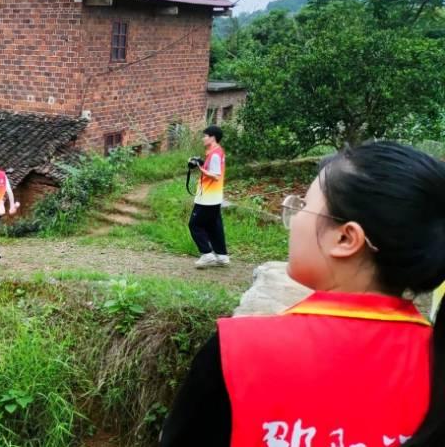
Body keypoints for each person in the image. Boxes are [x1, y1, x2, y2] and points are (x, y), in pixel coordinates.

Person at [161, 142, 445, 446]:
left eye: (303, 206)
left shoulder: (237, 352)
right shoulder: (435, 361)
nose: (294, 218)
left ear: (346, 238)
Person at [190, 125, 229, 268]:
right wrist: (202, 164)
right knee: (214, 226)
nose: (203, 138)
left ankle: (206, 254)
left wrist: (200, 169)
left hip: (207, 198)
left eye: (205, 136)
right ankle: (222, 255)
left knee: (194, 225)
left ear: (212, 137)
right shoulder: (217, 152)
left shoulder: (214, 155)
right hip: (215, 197)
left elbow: (216, 176)